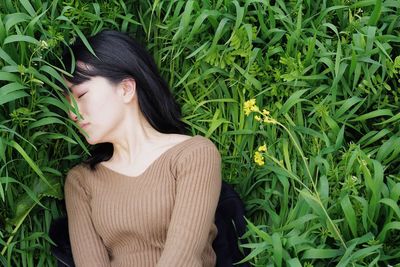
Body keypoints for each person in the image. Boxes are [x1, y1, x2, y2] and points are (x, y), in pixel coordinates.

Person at [61, 30, 222, 267]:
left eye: (81, 95)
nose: (73, 113)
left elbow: (183, 259)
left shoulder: (193, 154)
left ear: (126, 88)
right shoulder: (81, 181)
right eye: (67, 104)